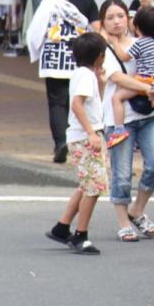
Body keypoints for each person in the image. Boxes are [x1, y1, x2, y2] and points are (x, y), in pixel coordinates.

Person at [95, 0, 154, 242]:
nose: (117, 21)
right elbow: (116, 78)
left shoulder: (145, 41)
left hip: (149, 115)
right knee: (122, 173)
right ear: (102, 22)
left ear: (130, 19)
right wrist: (150, 90)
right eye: (111, 17)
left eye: (121, 16)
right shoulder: (102, 49)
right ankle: (123, 221)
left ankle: (137, 210)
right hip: (119, 119)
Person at [24, 0, 98, 163]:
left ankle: (60, 143)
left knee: (57, 103)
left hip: (54, 60)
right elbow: (96, 31)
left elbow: (34, 32)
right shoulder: (87, 2)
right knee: (80, 102)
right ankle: (81, 144)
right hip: (80, 61)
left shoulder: (48, 3)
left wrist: (36, 52)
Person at [44, 33, 108, 256]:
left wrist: (100, 80)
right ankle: (81, 234)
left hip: (84, 135)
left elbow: (90, 103)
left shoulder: (86, 74)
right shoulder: (84, 76)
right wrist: (92, 134)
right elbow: (78, 105)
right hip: (85, 137)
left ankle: (62, 227)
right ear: (100, 56)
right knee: (94, 187)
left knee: (87, 184)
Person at [108, 6, 154, 148]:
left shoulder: (140, 43)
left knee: (116, 97)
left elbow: (124, 57)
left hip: (144, 81)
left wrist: (115, 43)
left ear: (137, 27)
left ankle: (118, 130)